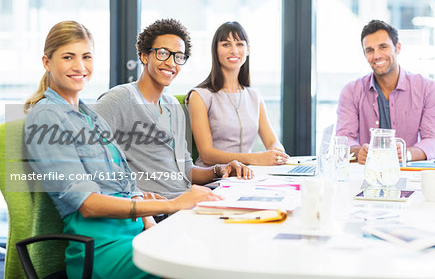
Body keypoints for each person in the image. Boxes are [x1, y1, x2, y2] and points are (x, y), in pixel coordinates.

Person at [24, 20, 222, 279]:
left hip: (133, 233)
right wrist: (172, 204)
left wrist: (149, 222)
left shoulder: (88, 115)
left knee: (214, 248)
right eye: (68, 57)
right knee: (198, 262)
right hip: (101, 248)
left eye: (86, 56)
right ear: (47, 62)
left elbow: (127, 184)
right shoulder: (47, 117)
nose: (79, 66)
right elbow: (87, 205)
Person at [95, 19, 252, 200]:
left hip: (185, 201)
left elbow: (187, 170)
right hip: (156, 209)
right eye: (163, 53)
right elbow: (90, 159)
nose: (171, 63)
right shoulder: (119, 99)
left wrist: (220, 169)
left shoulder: (173, 106)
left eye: (178, 56)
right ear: (144, 56)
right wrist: (135, 197)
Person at [336, 19, 435, 164]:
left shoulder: (428, 89)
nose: (376, 56)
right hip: (366, 178)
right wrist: (358, 152)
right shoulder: (351, 91)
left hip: (410, 178)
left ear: (397, 48)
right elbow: (343, 138)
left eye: (383, 47)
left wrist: (407, 154)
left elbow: (433, 139)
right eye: (370, 50)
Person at [186, 21, 288, 167]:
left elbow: (273, 142)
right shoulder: (200, 96)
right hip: (213, 179)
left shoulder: (254, 96)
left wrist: (277, 153)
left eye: (240, 44)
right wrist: (255, 158)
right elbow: (207, 155)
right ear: (215, 50)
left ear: (248, 50)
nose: (234, 50)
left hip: (245, 177)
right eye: (226, 44)